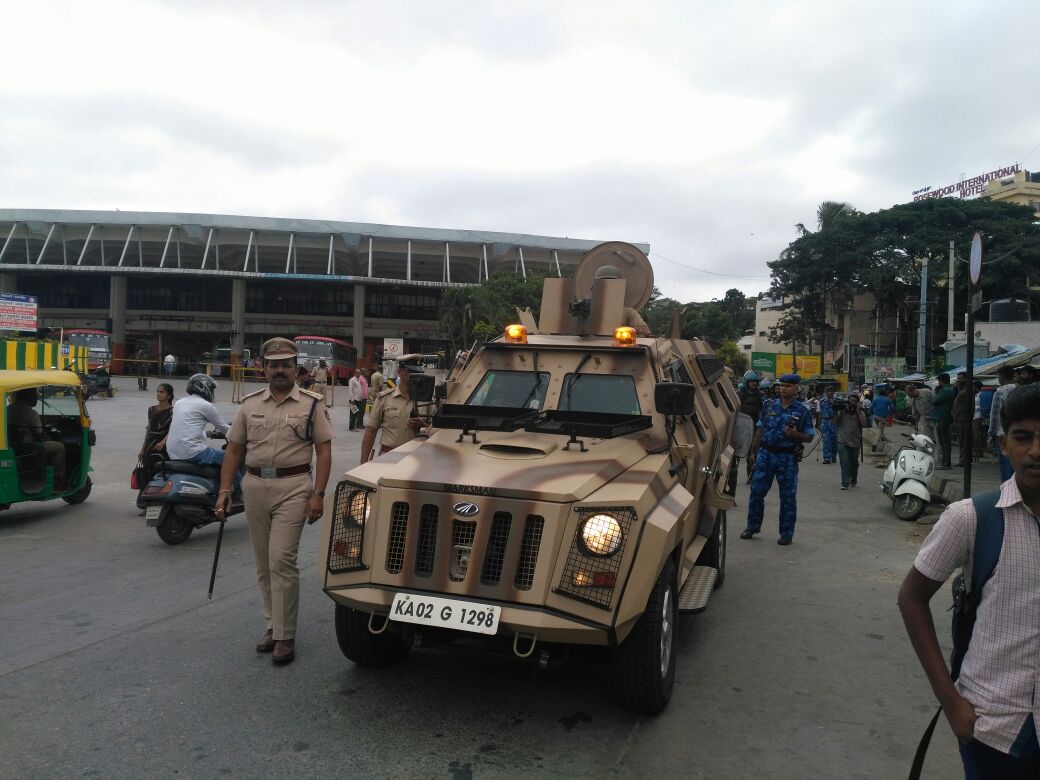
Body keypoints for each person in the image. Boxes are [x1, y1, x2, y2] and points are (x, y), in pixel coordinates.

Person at [897, 382, 1040, 778]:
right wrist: (951, 702)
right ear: (1003, 443)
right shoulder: (973, 517)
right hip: (995, 725)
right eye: (1023, 437)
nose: (1035, 451)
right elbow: (912, 597)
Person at [216, 338, 333, 666]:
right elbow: (234, 450)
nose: (280, 370)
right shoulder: (249, 405)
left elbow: (323, 451)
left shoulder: (312, 404)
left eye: (286, 364)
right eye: (273, 364)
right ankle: (272, 624)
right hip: (254, 486)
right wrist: (225, 491)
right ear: (264, 368)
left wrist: (318, 494)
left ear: (297, 369)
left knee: (281, 560)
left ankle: (285, 635)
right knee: (263, 562)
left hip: (294, 487)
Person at [739, 373, 815, 545]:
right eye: (781, 385)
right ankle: (752, 526)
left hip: (787, 457)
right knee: (757, 492)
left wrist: (796, 434)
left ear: (796, 388)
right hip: (765, 455)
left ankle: (786, 534)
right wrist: (753, 452)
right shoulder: (769, 405)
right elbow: (760, 429)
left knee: (788, 497)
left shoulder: (802, 411)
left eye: (787, 386)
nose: (782, 388)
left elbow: (810, 437)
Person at [360, 361, 430, 462]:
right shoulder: (384, 398)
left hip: (416, 460)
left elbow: (436, 433)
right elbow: (371, 431)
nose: (414, 375)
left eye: (417, 372)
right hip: (389, 457)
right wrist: (363, 462)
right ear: (399, 372)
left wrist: (422, 425)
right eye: (410, 371)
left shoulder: (426, 401)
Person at [166, 374, 231, 470]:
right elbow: (224, 428)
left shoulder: (179, 402)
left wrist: (206, 434)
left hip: (172, 452)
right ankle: (237, 485)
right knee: (231, 458)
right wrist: (242, 434)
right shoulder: (206, 406)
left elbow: (186, 427)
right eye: (212, 389)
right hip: (191, 452)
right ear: (205, 388)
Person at [7, 387, 66, 487]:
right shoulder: (31, 413)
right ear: (27, 396)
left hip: (11, 445)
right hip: (29, 447)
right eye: (34, 397)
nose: (36, 400)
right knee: (60, 447)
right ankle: (56, 479)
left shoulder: (8, 409)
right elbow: (39, 434)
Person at [592, 265, 652, 336]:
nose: (608, 288)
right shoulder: (586, 309)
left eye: (613, 284)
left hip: (617, 345)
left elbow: (645, 331)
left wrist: (622, 330)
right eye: (603, 283)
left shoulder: (628, 312)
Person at [989, 366, 1019, 483]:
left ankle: (1007, 494)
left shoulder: (999, 392)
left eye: (998, 376)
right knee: (1015, 464)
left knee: (1005, 464)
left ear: (1002, 376)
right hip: (1017, 432)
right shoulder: (1020, 389)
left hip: (1002, 433)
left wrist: (990, 434)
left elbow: (995, 415)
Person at [834, 393, 867, 489]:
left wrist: (857, 411)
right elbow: (835, 422)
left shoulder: (860, 412)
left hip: (854, 441)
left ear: (857, 403)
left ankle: (853, 478)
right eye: (850, 400)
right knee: (844, 462)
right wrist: (838, 411)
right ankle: (845, 482)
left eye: (854, 401)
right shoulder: (843, 410)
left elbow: (864, 424)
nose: (851, 403)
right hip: (842, 440)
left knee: (853, 463)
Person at [738, 370, 764, 482]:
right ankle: (731, 474)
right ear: (746, 382)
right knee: (736, 452)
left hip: (755, 425)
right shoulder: (739, 393)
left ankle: (751, 475)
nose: (754, 383)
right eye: (752, 381)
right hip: (741, 425)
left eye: (756, 381)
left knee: (753, 452)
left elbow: (763, 410)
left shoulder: (760, 395)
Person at [931, 373, 955, 468]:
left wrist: (937, 392)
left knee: (944, 441)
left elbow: (934, 401)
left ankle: (945, 462)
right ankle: (945, 461)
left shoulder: (946, 391)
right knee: (943, 440)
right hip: (943, 416)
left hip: (943, 417)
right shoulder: (948, 390)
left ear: (941, 380)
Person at [952, 374, 975, 467]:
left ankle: (963, 460)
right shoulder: (962, 389)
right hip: (959, 417)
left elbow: (971, 404)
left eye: (960, 378)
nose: (958, 380)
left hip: (964, 417)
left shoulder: (968, 389)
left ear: (966, 378)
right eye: (957, 378)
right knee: (962, 440)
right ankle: (964, 459)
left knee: (964, 440)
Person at [819, 387, 838, 464]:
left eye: (832, 391)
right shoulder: (822, 401)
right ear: (826, 392)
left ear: (833, 392)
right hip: (825, 421)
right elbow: (820, 413)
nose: (830, 393)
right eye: (828, 391)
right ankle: (827, 458)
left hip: (833, 422)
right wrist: (819, 424)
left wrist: (832, 402)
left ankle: (833, 456)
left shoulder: (837, 401)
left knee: (834, 440)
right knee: (826, 440)